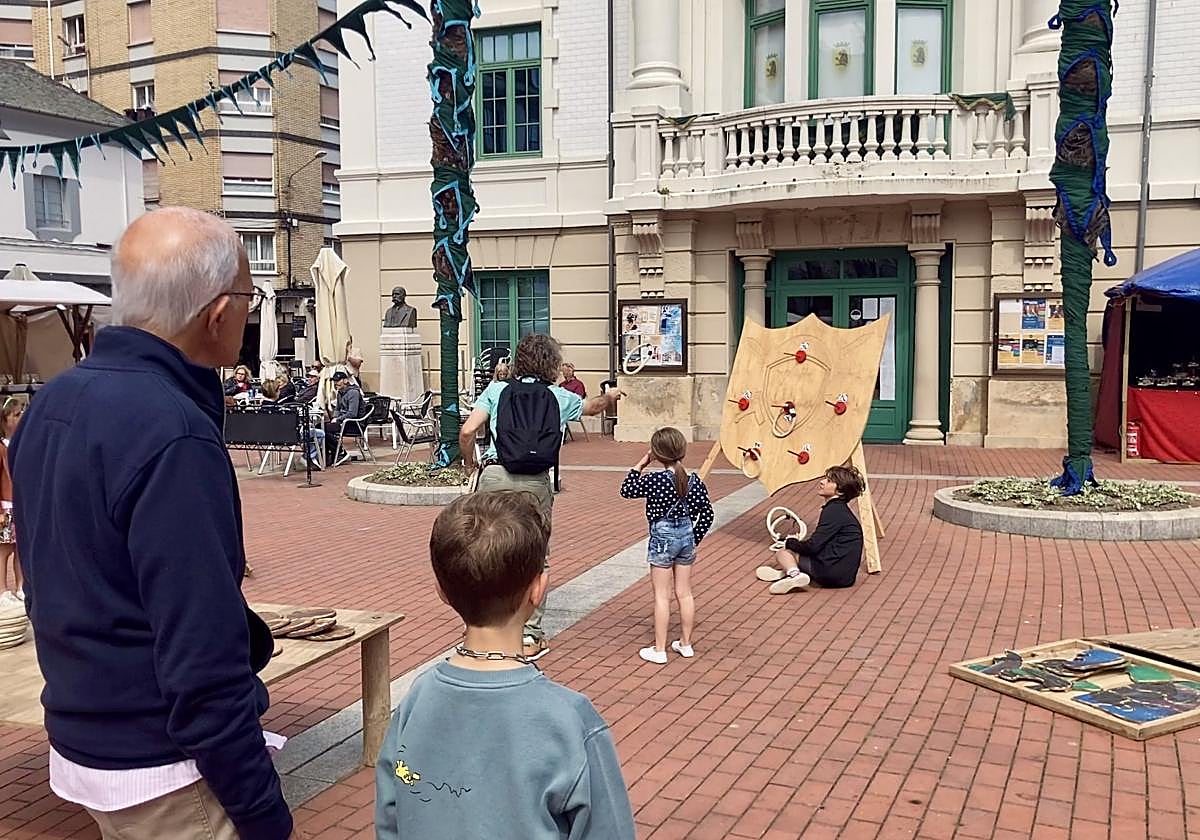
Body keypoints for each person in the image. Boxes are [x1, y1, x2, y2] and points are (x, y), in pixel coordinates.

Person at [9, 207, 294, 840]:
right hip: (164, 765)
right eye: (249, 299)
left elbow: (52, 576)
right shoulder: (173, 432)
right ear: (218, 313)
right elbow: (202, 657)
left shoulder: (51, 402)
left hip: (86, 736)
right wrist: (263, 813)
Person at [374, 490, 636, 840]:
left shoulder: (417, 698)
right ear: (538, 590)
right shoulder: (571, 719)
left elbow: (390, 815)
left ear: (442, 591)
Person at [459, 334, 622, 661]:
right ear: (551, 363)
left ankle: (481, 629)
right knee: (535, 556)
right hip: (535, 482)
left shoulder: (497, 390)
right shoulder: (558, 396)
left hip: (495, 475)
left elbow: (467, 431)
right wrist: (610, 396)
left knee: (485, 550)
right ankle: (529, 636)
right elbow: (593, 407)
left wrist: (469, 463)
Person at [619, 428, 714, 665]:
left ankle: (659, 649)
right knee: (685, 592)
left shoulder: (655, 480)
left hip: (662, 538)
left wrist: (642, 463)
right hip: (686, 537)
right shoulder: (694, 481)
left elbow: (626, 490)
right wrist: (694, 538)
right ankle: (686, 643)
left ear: (657, 453)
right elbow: (707, 514)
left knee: (662, 596)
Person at [756, 465, 866, 594]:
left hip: (829, 573)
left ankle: (795, 575)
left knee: (783, 552)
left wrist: (790, 542)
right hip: (846, 578)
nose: (822, 482)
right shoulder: (841, 511)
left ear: (840, 491)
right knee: (796, 550)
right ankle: (786, 573)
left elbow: (813, 547)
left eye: (829, 481)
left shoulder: (833, 511)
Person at [0, 397, 22, 603]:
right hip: (6, 505)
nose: (20, 417)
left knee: (20, 549)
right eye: (16, 415)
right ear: (5, 419)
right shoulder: (1, 448)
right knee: (5, 549)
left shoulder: (21, 445)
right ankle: (3, 589)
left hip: (20, 504)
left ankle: (21, 585)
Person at [324, 370, 365, 467]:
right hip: (343, 421)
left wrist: (338, 419)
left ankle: (340, 452)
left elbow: (352, 413)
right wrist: (334, 418)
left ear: (345, 380)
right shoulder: (340, 393)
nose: (335, 383)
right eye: (334, 381)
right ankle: (329, 454)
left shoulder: (353, 393)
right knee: (319, 427)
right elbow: (337, 409)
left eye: (338, 381)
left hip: (354, 424)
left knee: (325, 429)